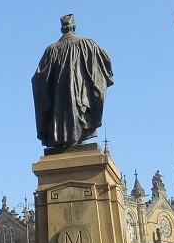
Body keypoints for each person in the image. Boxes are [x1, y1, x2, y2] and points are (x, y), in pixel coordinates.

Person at [32, 13, 114, 149]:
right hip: (80, 97)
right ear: (74, 27)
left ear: (61, 29)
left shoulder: (52, 50)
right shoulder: (87, 45)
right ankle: (78, 136)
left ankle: (61, 137)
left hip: (58, 104)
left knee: (61, 114)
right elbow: (106, 60)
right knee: (77, 113)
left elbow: (38, 79)